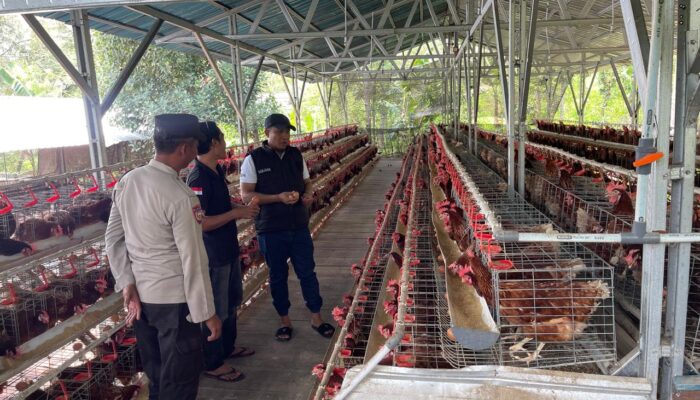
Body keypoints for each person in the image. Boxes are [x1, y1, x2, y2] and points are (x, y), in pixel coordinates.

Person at [105, 113, 221, 400]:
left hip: (143, 302)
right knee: (179, 382)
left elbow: (113, 239)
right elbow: (193, 259)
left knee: (157, 378)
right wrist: (207, 313)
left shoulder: (127, 182)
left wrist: (126, 281)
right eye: (195, 146)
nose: (196, 153)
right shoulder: (181, 196)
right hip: (175, 305)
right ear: (184, 148)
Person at [239, 113, 335, 341]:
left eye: (287, 132)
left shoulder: (295, 155)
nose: (285, 136)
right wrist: (277, 198)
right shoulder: (253, 159)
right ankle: (284, 320)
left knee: (307, 272)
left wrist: (308, 195)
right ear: (267, 133)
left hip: (298, 225)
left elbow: (307, 182)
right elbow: (246, 195)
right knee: (277, 275)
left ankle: (316, 317)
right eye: (279, 132)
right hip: (270, 229)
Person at [187, 121, 258, 382]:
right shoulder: (198, 177)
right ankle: (212, 361)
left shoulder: (215, 171)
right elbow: (201, 223)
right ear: (214, 143)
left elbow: (218, 207)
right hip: (212, 254)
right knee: (216, 309)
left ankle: (227, 348)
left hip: (227, 249)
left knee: (231, 302)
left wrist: (237, 205)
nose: (226, 143)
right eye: (223, 138)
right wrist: (236, 213)